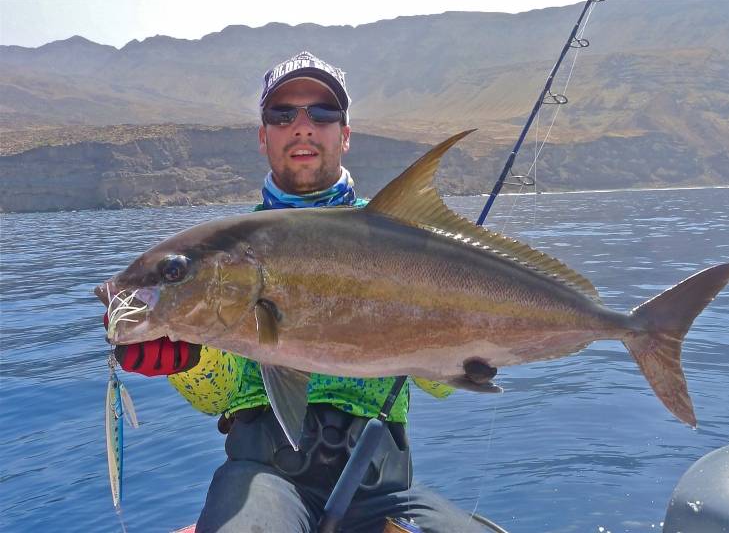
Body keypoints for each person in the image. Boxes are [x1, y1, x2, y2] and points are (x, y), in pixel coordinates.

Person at [110, 51, 489, 533]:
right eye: (283, 114)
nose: (303, 126)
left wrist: (463, 347)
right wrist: (189, 360)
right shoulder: (224, 250)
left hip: (383, 487)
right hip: (264, 477)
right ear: (263, 135)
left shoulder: (405, 235)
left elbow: (437, 384)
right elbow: (219, 395)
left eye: (323, 113)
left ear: (345, 135)